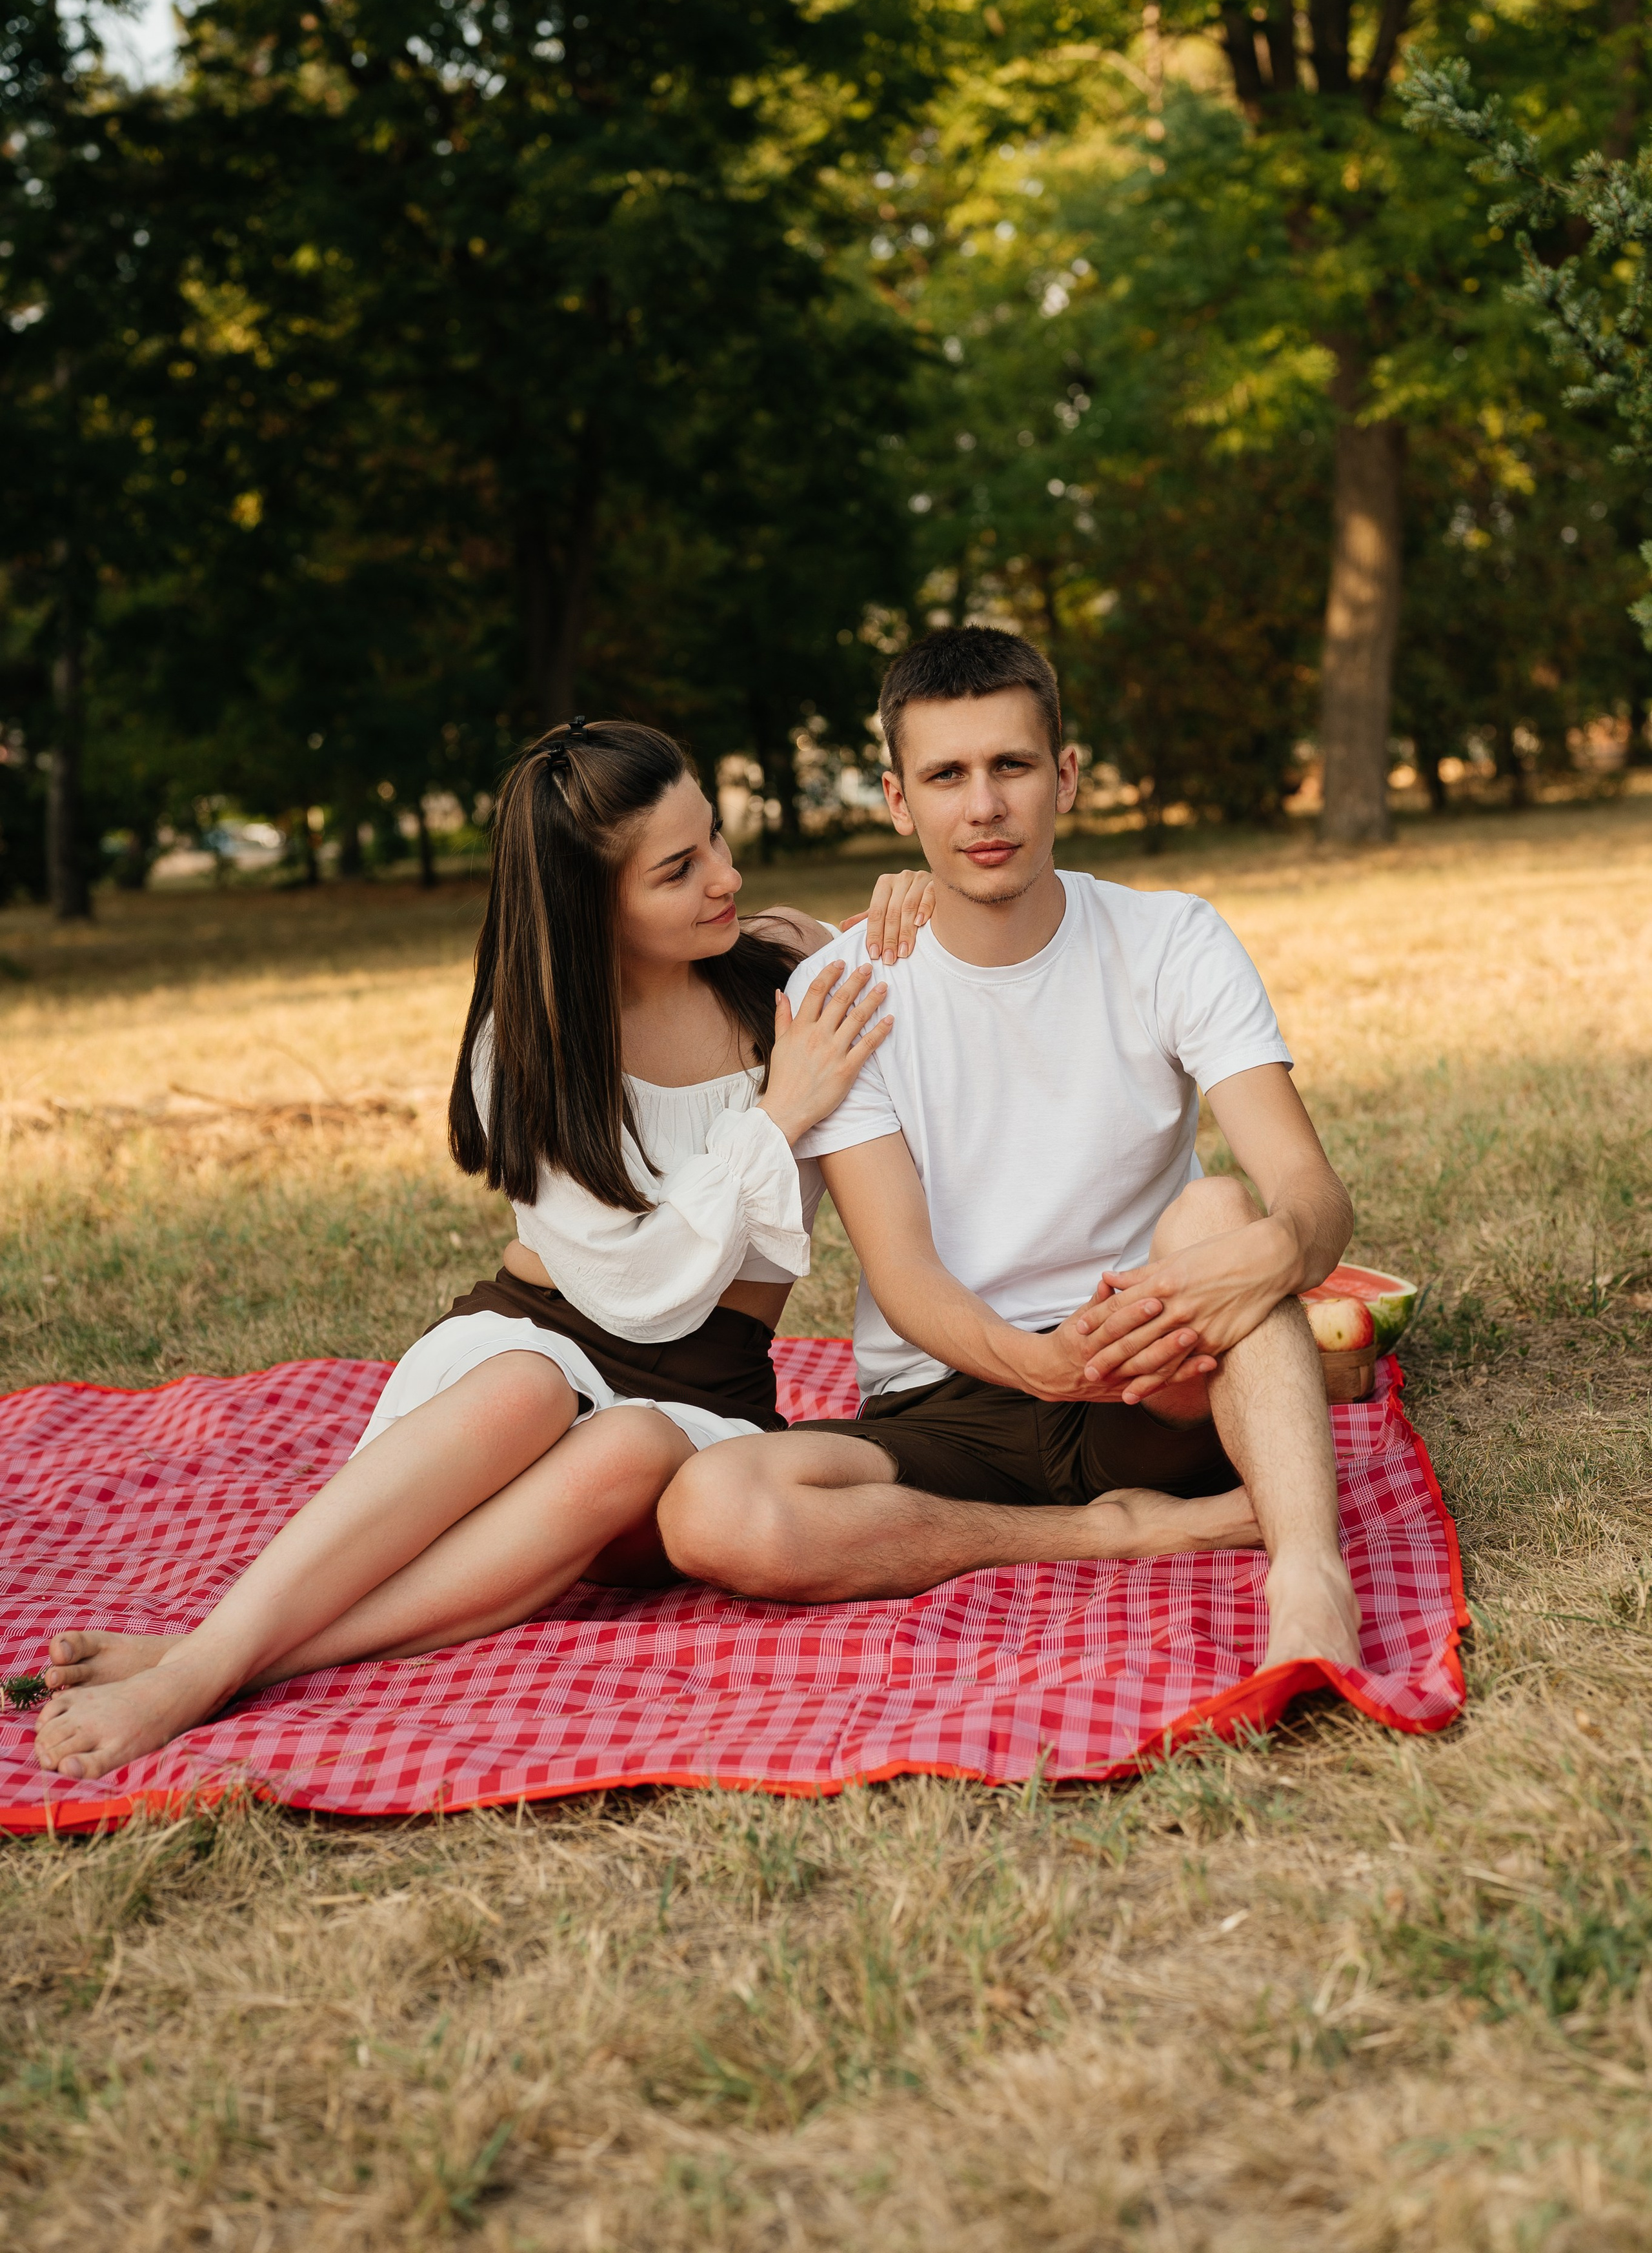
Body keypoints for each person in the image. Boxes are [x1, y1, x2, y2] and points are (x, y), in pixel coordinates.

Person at [34, 718, 929, 1783]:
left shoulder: (780, 971)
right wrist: (775, 1119)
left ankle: (207, 1658)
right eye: (679, 869)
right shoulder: (531, 1043)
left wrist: (919, 901)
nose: (725, 879)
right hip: (534, 1340)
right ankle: (212, 1663)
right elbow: (631, 1287)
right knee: (524, 1390)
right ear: (591, 905)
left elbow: (952, 969)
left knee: (635, 1443)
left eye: (718, 841)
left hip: (703, 1394)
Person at [660, 629, 1364, 1672]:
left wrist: (1282, 1249)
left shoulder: (1172, 941)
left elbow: (1309, 1192)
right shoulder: (844, 988)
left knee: (1218, 1212)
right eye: (946, 776)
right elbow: (905, 1278)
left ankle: (1309, 1579)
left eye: (1011, 766)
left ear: (1065, 777)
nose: (983, 807)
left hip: (1147, 1363)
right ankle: (1129, 1531)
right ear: (900, 802)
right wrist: (1039, 1366)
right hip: (948, 1401)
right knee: (712, 1508)